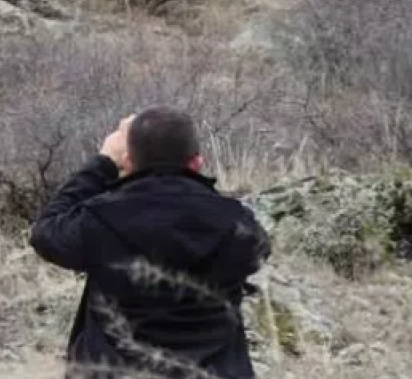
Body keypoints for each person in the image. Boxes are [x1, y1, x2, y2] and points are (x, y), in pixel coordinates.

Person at [30, 106, 270, 378]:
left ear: (128, 162)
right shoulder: (236, 223)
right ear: (197, 163)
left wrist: (103, 163)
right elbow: (258, 251)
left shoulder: (101, 219)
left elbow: (45, 233)